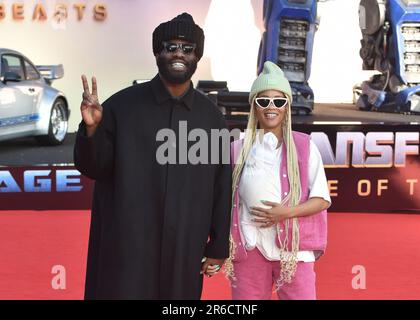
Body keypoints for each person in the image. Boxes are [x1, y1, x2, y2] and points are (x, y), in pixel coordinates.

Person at [74, 13, 231, 300]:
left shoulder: (211, 119)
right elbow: (93, 167)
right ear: (157, 52)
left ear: (197, 56)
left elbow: (222, 186)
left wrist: (219, 245)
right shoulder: (121, 107)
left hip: (184, 248)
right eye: (171, 47)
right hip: (127, 245)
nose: (178, 54)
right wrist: (92, 128)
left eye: (188, 48)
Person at [226, 61, 331, 300]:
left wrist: (286, 213)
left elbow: (322, 199)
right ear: (254, 106)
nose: (271, 107)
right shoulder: (236, 150)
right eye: (263, 101)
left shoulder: (304, 147)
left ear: (287, 106)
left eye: (279, 101)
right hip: (249, 245)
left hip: (292, 250)